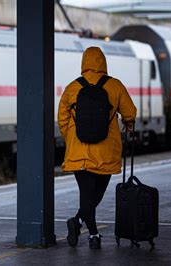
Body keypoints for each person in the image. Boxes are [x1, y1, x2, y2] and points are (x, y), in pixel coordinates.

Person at [58, 46, 137, 249]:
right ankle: (92, 234)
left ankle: (78, 223)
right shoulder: (115, 86)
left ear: (84, 63)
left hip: (79, 152)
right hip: (106, 152)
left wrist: (72, 138)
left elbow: (62, 119)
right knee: (95, 195)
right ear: (103, 63)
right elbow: (130, 113)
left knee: (86, 194)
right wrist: (128, 123)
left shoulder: (72, 88)